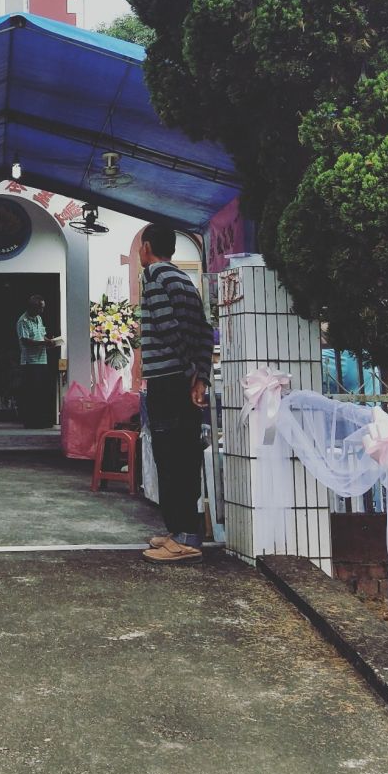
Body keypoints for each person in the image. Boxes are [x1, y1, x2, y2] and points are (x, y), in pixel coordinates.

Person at [137, 222, 214, 564]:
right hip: (183, 379)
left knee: (169, 457)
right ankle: (182, 531)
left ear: (147, 247)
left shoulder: (153, 277)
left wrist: (188, 369)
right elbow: (204, 330)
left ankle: (183, 536)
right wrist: (200, 376)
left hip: (168, 380)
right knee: (185, 454)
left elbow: (167, 327)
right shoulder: (185, 279)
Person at [16, 295, 59, 430]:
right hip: (30, 362)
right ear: (33, 307)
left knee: (41, 392)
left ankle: (42, 421)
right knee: (32, 393)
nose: (42, 310)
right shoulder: (23, 321)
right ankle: (31, 422)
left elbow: (41, 335)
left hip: (42, 359)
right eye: (40, 308)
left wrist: (49, 341)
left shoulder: (39, 318)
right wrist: (44, 343)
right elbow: (25, 341)